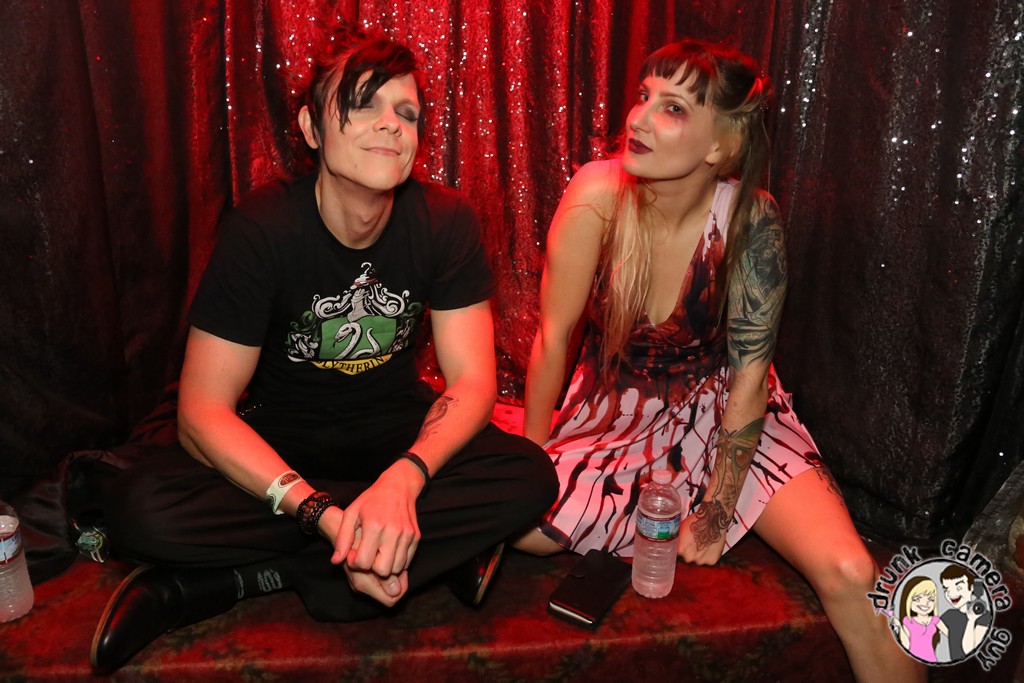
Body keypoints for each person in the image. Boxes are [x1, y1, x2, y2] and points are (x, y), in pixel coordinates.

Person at [89, 30, 557, 673]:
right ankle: (388, 555)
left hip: (391, 433)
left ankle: (239, 579)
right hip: (282, 439)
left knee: (528, 476)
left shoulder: (445, 221)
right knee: (140, 508)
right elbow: (201, 413)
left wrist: (404, 479)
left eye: (407, 112)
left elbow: (474, 382)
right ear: (311, 128)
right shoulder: (262, 228)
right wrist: (321, 513)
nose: (390, 124)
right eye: (364, 105)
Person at [514, 39, 924, 681]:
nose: (639, 117)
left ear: (718, 146)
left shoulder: (751, 220)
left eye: (673, 107)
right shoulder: (597, 192)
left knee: (851, 571)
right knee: (524, 533)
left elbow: (751, 378)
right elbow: (553, 338)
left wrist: (718, 509)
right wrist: (531, 462)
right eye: (644, 96)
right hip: (620, 411)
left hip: (731, 411)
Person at [939, 564, 991, 660]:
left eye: (958, 588)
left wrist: (971, 620)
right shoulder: (949, 614)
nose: (951, 593)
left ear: (971, 587)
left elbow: (968, 650)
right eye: (947, 589)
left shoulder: (984, 616)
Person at [893, 577, 946, 662]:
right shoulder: (908, 621)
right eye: (917, 599)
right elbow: (906, 645)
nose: (925, 603)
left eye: (931, 599)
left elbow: (952, 635)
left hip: (931, 659)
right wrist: (899, 626)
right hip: (912, 661)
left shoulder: (935, 620)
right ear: (908, 600)